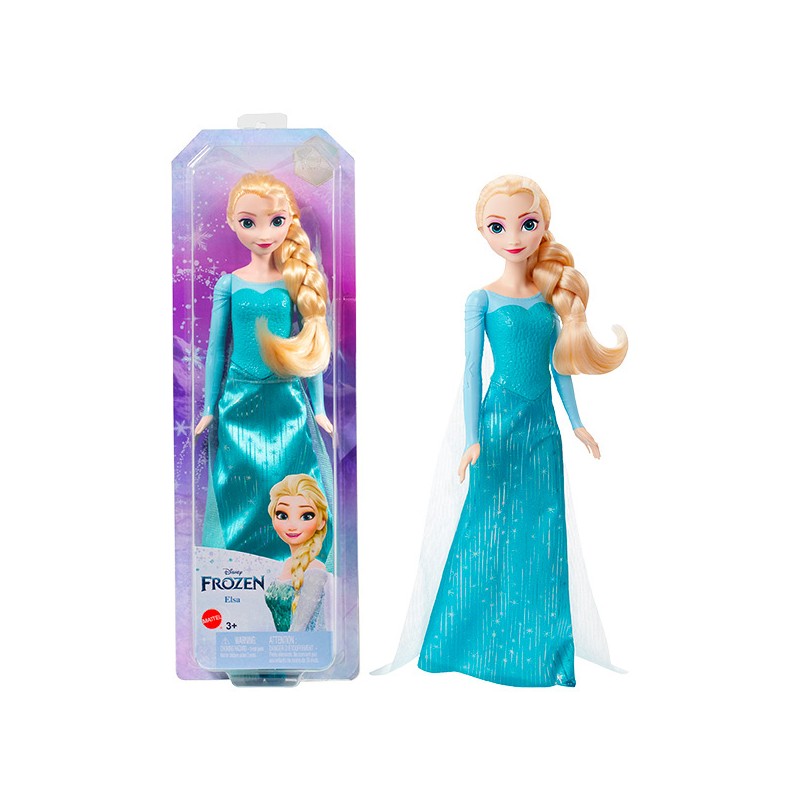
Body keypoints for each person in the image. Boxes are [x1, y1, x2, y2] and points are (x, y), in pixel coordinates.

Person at [195, 173, 333, 562]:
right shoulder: (229, 284)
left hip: (286, 400)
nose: (263, 233)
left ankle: (298, 563)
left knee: (291, 481)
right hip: (238, 399)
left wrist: (319, 409)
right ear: (231, 222)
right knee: (238, 484)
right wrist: (208, 408)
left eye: (276, 221)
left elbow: (310, 348)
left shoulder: (293, 283)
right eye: (248, 222)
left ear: (290, 221)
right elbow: (215, 350)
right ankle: (236, 566)